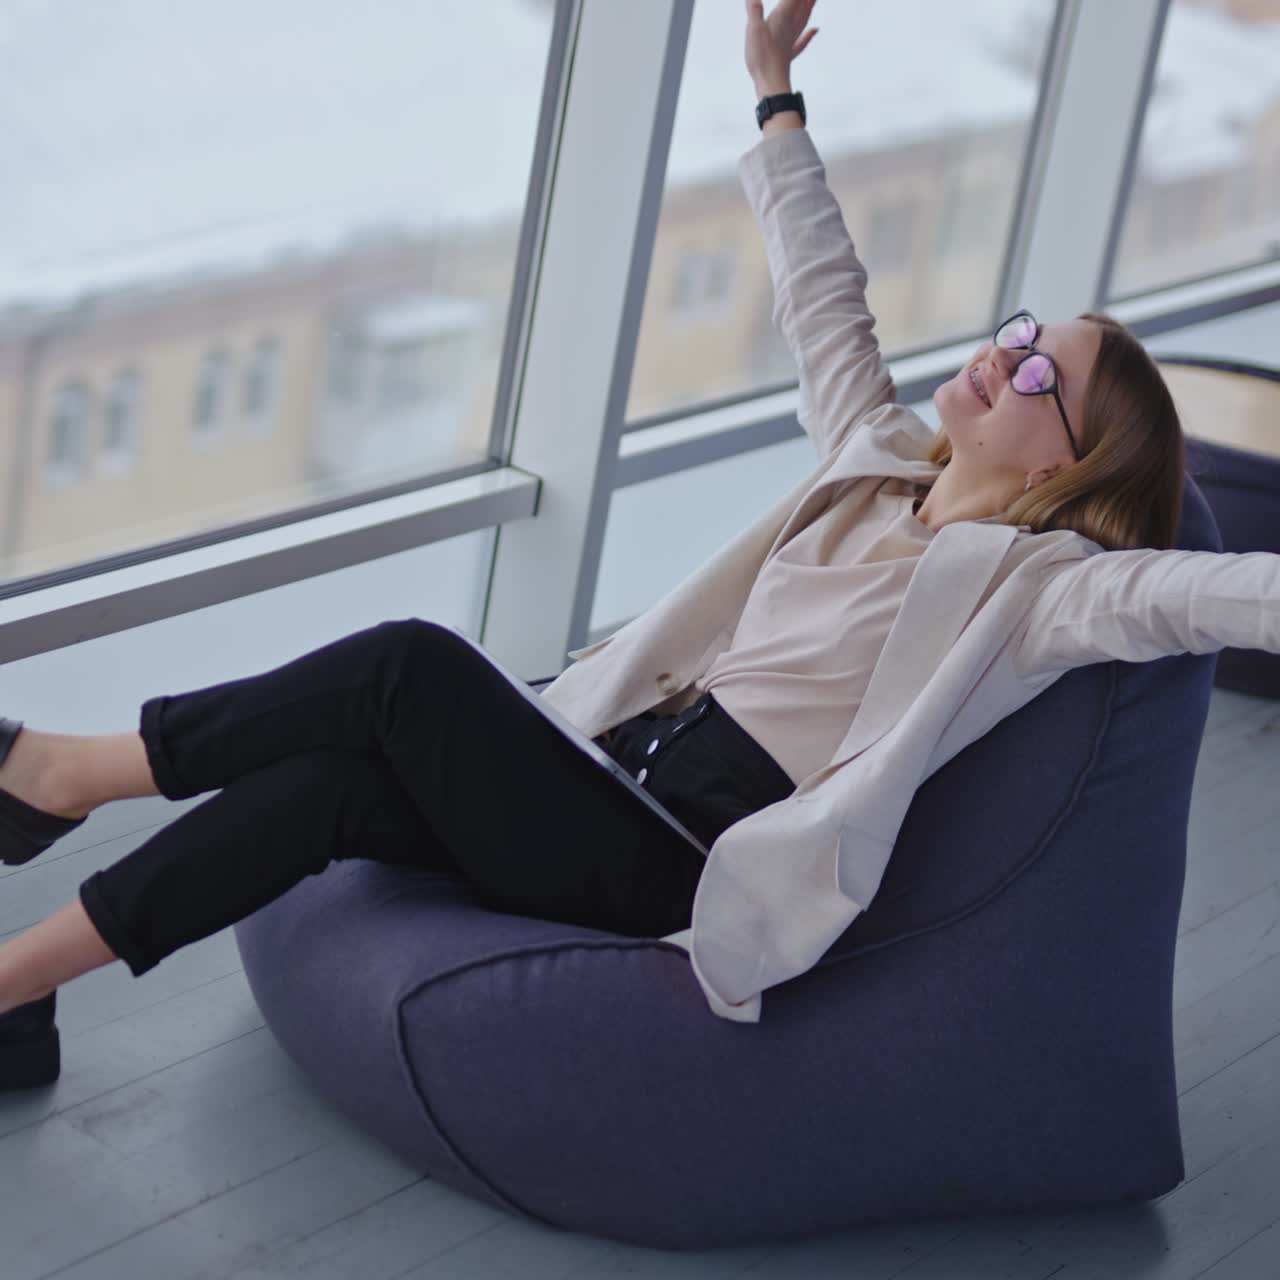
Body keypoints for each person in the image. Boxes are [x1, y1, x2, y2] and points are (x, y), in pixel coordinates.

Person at [0, 0, 1257, 1079]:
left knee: (410, 666)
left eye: (1040, 370)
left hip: (678, 858)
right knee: (319, 789)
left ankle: (60, 776)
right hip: (598, 770)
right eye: (1022, 326)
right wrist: (776, 94)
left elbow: (1219, 596)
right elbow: (821, 288)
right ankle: (18, 990)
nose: (1002, 347)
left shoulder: (1046, 593)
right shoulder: (871, 459)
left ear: (1067, 464)